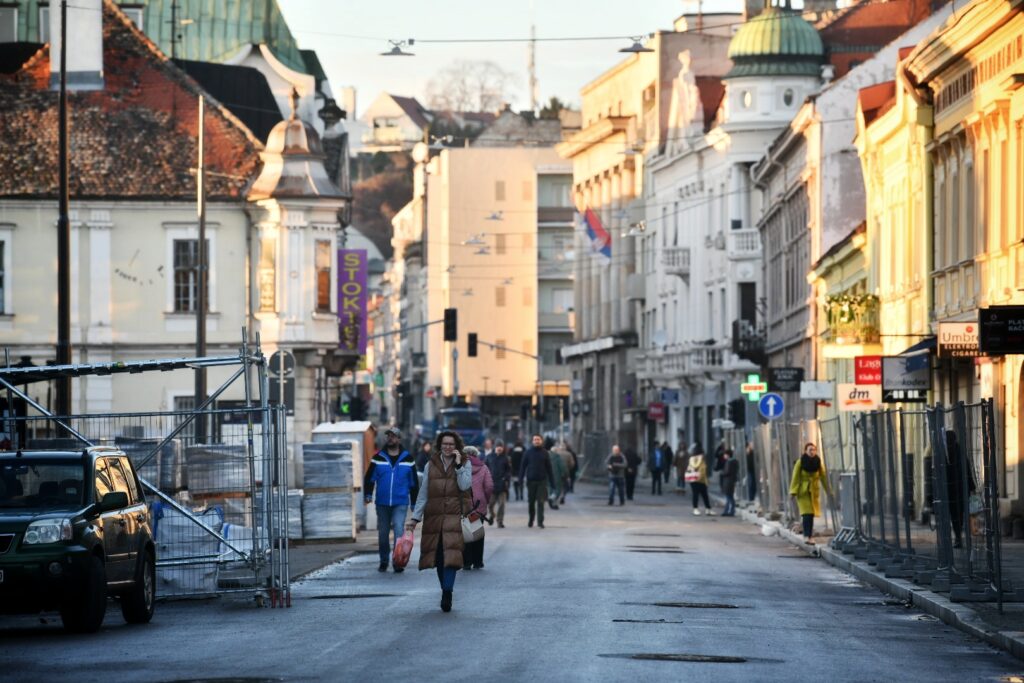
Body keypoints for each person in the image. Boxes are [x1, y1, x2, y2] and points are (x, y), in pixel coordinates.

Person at [407, 430, 473, 613]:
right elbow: (424, 493)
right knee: (438, 557)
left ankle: (447, 592)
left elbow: (465, 485)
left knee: (450, 557)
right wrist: (415, 518)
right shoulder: (431, 464)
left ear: (457, 446)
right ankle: (445, 587)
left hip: (454, 516)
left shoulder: (465, 463)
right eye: (445, 444)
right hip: (434, 517)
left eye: (451, 444)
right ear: (440, 445)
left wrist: (459, 466)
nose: (448, 447)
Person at [364, 427, 419, 573]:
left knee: (399, 530)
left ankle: (397, 561)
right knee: (383, 534)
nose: (390, 438)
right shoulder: (378, 457)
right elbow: (369, 477)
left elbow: (414, 483)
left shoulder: (408, 459)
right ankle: (383, 561)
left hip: (400, 502)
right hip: (382, 503)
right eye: (388, 436)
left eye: (393, 436)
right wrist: (368, 494)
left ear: (399, 439)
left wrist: (414, 503)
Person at [789, 442, 830, 544]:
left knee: (810, 514)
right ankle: (807, 536)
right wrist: (793, 491)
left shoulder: (818, 462)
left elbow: (823, 477)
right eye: (810, 450)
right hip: (802, 491)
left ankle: (808, 535)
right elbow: (795, 477)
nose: (812, 452)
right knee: (807, 514)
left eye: (814, 450)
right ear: (805, 451)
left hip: (813, 491)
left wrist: (829, 491)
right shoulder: (800, 462)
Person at [462, 446, 493, 570]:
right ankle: (478, 561)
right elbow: (489, 486)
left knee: (465, 533)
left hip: (464, 505)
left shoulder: (460, 468)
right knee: (477, 533)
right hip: (479, 505)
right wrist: (486, 500)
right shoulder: (483, 467)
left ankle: (466, 562)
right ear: (476, 455)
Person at [944, 430, 975, 549]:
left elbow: (966, 470)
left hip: (956, 490)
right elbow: (967, 470)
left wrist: (971, 487)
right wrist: (971, 487)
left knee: (957, 515)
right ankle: (958, 537)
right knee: (957, 515)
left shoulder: (951, 452)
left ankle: (958, 537)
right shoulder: (955, 452)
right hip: (957, 490)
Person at [519, 434, 553, 528]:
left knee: (541, 502)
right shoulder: (528, 453)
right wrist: (520, 479)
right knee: (531, 502)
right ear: (532, 441)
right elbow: (523, 467)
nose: (536, 441)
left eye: (538, 439)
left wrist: (552, 482)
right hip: (531, 481)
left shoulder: (545, 453)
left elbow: (549, 468)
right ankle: (531, 518)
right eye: (535, 439)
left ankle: (540, 521)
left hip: (542, 481)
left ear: (541, 441)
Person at [486, 441, 511, 528]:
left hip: (502, 485)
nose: (499, 448)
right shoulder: (489, 457)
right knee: (490, 504)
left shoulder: (505, 458)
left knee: (502, 504)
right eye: (498, 446)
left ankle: (500, 521)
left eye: (501, 446)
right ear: (494, 447)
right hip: (491, 485)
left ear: (503, 448)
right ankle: (492, 515)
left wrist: (506, 478)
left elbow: (508, 470)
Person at [686, 444, 713, 515]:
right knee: (696, 495)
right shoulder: (694, 459)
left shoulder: (702, 460)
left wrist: (706, 480)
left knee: (704, 495)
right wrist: (700, 458)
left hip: (701, 480)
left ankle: (708, 509)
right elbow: (696, 466)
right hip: (695, 479)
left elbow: (704, 471)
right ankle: (695, 509)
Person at [547, 441, 567, 510]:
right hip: (557, 476)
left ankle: (552, 501)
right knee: (557, 490)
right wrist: (564, 474)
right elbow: (562, 467)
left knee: (550, 488)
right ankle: (552, 499)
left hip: (548, 476)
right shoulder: (558, 458)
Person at [721, 448, 739, 516]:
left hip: (728, 481)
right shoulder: (735, 461)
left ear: (727, 455)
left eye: (725, 454)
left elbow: (727, 472)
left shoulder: (729, 462)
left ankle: (729, 511)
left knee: (729, 497)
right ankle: (729, 511)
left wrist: (722, 473)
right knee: (730, 497)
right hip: (732, 480)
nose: (724, 456)